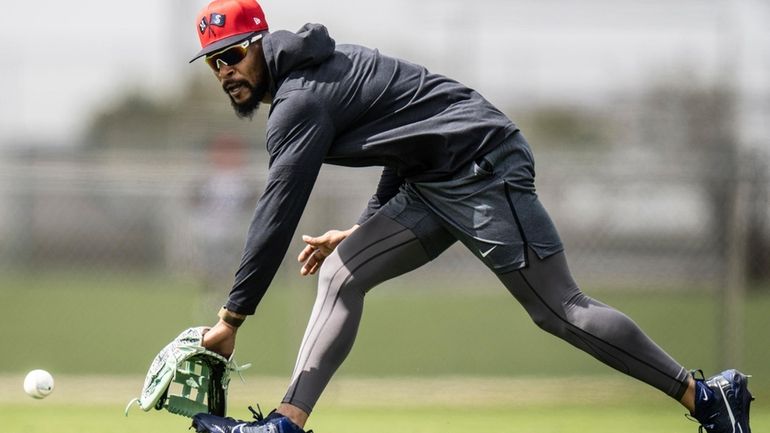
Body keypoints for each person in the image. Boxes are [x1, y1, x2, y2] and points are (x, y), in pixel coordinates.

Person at [188, 1, 753, 432]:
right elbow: (405, 141)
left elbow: (277, 208)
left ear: (261, 42)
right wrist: (362, 228)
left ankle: (706, 397)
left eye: (234, 53)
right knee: (342, 272)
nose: (225, 70)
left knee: (559, 309)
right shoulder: (311, 77)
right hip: (435, 176)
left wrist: (232, 318)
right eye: (215, 61)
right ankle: (286, 424)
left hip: (481, 166)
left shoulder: (301, 99)